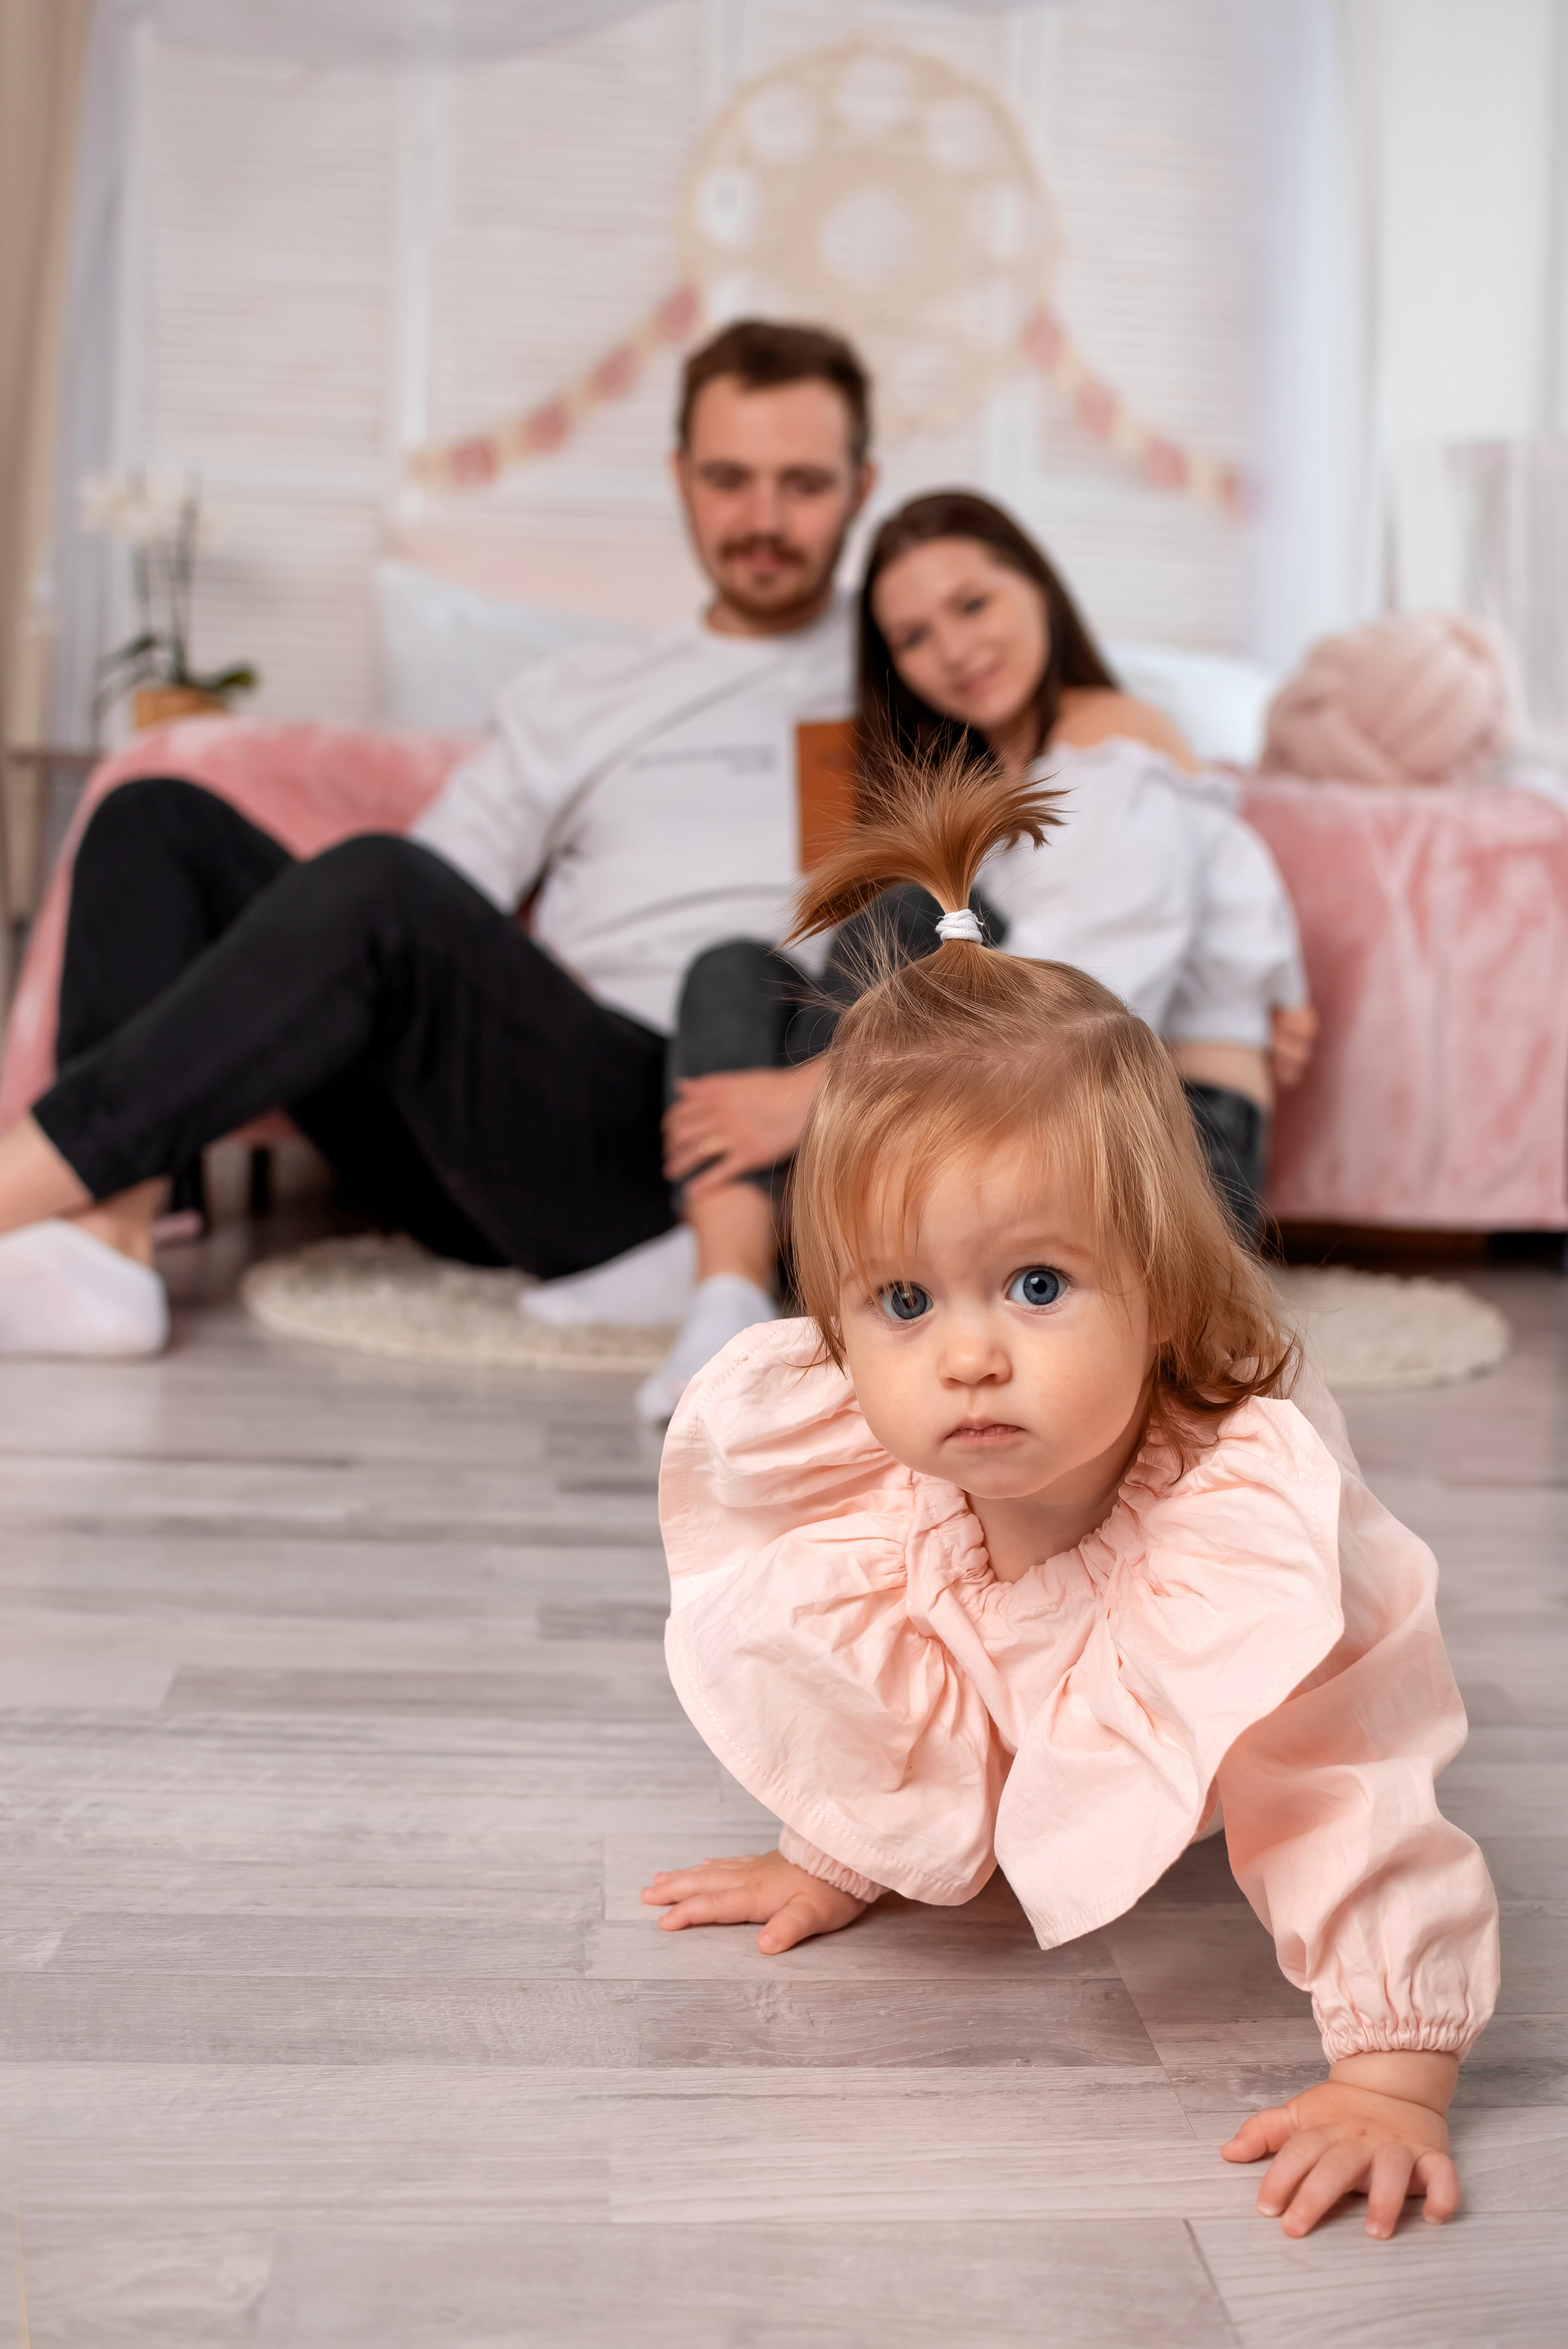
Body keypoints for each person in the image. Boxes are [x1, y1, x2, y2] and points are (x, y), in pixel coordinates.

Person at [644, 762, 1498, 2242]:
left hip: (1272, 1655)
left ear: (1157, 1289)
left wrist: (1389, 2069)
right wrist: (845, 1842)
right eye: (902, 1298)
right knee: (953, 1586)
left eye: (1036, 1284)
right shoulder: (899, 1466)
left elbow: (1341, 1783)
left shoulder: (1246, 1540)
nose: (967, 1352)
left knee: (1281, 1742)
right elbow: (928, 1656)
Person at [0, 319, 876, 1355]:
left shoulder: (914, 677)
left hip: (726, 1118)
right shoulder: (581, 693)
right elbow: (433, 893)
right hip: (518, 1118)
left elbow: (1025, 900)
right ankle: (106, 1240)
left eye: (804, 486)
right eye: (730, 479)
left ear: (862, 489)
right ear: (681, 477)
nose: (764, 519)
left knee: (382, 886)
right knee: (155, 815)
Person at [640, 488, 1316, 1419]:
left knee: (914, 909)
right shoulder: (991, 777)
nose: (953, 651)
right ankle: (726, 1286)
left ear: (1037, 588)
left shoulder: (1110, 741)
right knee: (734, 967)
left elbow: (1086, 1008)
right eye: (913, 638)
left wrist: (802, 1101)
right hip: (1011, 1142)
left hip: (1166, 1152)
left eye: (972, 604)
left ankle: (721, 1264)